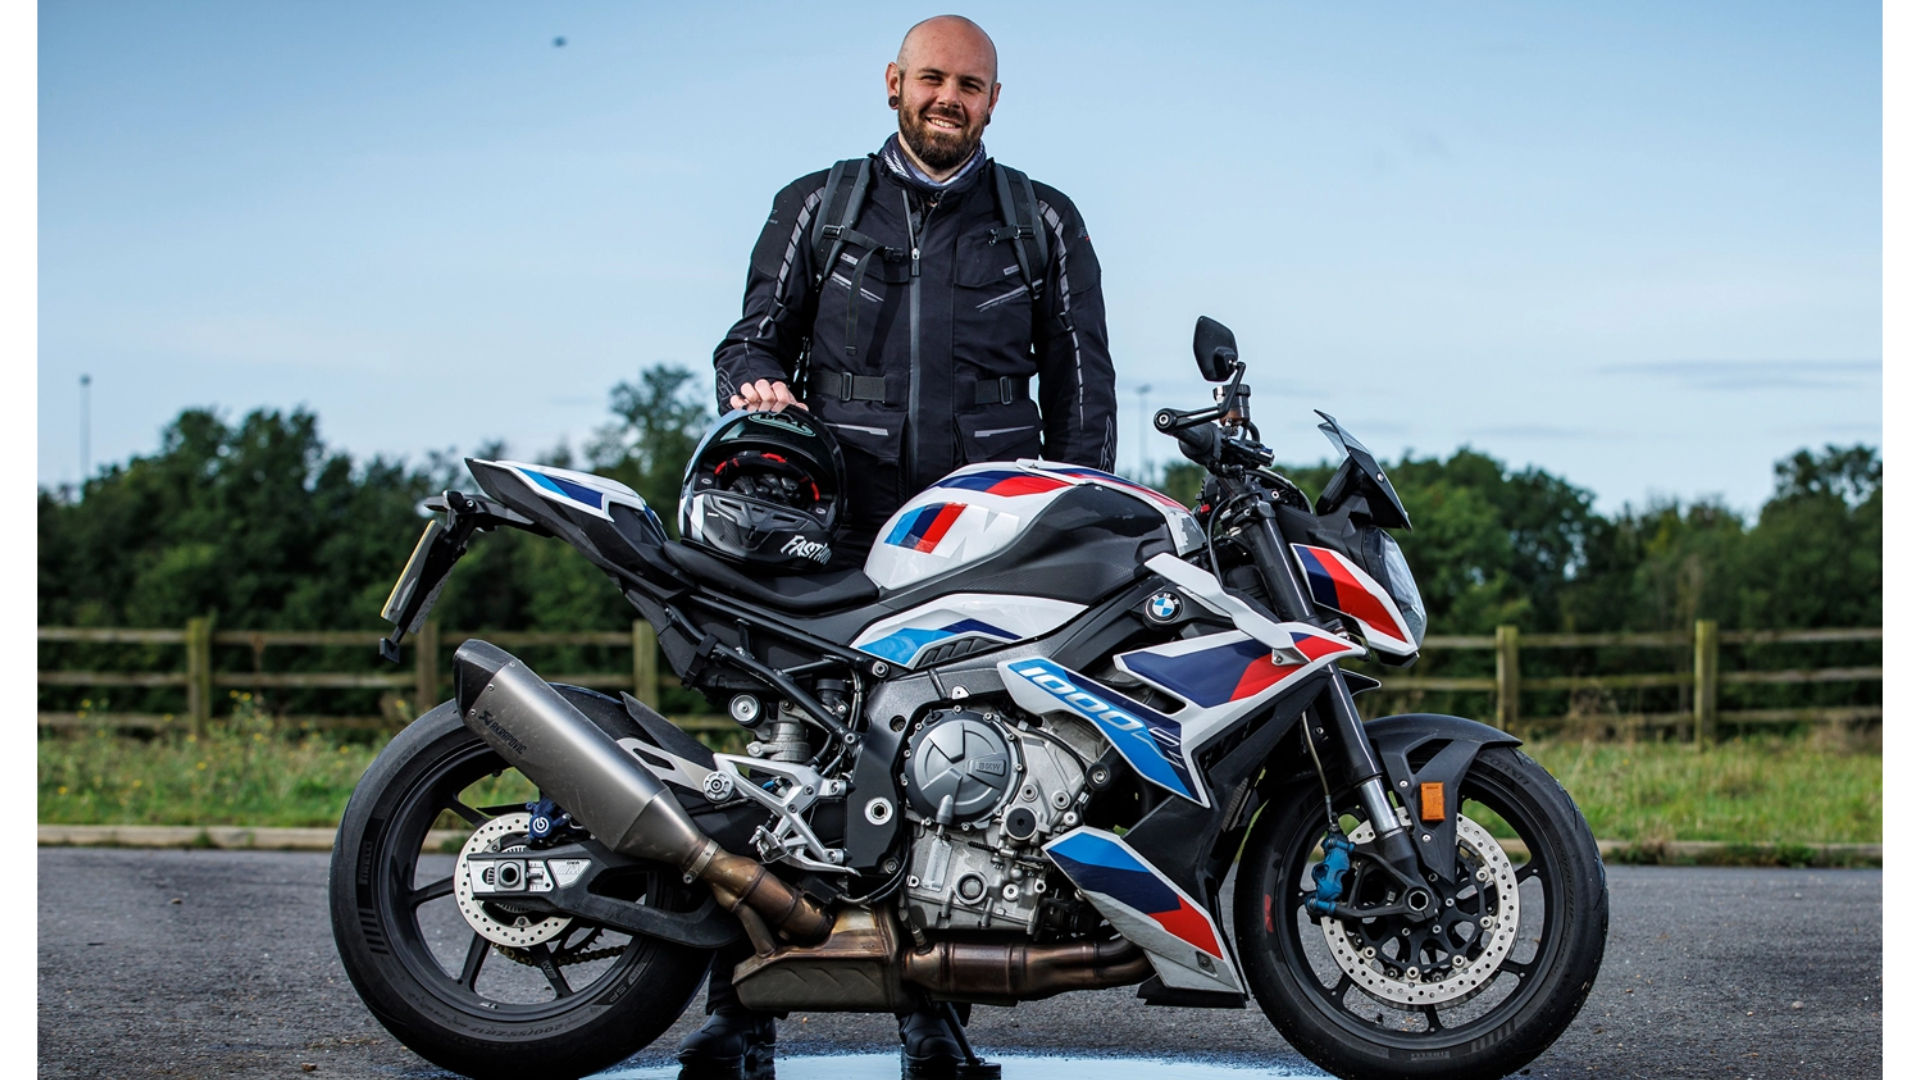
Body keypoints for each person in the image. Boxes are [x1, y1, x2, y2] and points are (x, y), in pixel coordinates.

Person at [685, 13, 1118, 1079]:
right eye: (932, 79)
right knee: (786, 764)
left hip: (982, 537)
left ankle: (933, 1022)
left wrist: (1082, 517)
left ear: (994, 101)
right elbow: (751, 337)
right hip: (833, 530)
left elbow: (1082, 384)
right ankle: (737, 1016)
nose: (948, 99)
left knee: (956, 770)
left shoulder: (1043, 220)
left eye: (969, 85)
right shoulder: (819, 204)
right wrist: (755, 382)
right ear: (893, 82)